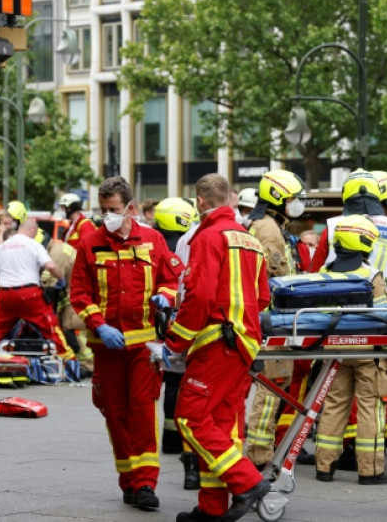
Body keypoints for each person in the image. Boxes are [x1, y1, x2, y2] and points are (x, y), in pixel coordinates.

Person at [163, 173, 271, 522]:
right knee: (223, 427)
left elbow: (200, 295)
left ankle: (248, 482)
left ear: (201, 202)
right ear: (231, 201)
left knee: (189, 418)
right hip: (243, 345)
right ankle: (212, 508)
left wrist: (174, 341)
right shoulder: (250, 239)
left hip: (215, 342)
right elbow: (264, 297)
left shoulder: (207, 236)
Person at [70, 177, 180, 511]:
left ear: (130, 208)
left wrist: (166, 295)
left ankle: (146, 482)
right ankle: (129, 481)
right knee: (115, 413)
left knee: (143, 412)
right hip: (108, 347)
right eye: (103, 210)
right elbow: (79, 293)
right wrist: (99, 325)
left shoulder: (152, 239)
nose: (107, 216)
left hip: (144, 346)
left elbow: (172, 278)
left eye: (113, 210)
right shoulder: (90, 243)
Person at [312, 215, 387, 486]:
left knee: (334, 406)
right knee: (370, 407)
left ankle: (324, 466)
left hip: (334, 350)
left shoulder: (325, 272)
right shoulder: (370, 275)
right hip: (366, 351)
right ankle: (370, 471)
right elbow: (384, 315)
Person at [244, 170, 314, 470]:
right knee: (272, 385)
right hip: (272, 318)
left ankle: (262, 448)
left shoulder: (268, 225)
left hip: (270, 316)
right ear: (278, 199)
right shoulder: (270, 231)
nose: (298, 204)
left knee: (275, 383)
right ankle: (259, 452)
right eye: (293, 199)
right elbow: (274, 277)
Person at [0, 219, 74, 368]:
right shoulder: (33, 244)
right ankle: (70, 361)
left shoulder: (3, 246)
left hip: (5, 294)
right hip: (29, 294)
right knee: (51, 326)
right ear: (33, 231)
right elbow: (50, 266)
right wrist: (60, 278)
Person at [151, 197, 202, 490]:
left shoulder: (156, 242)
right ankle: (183, 441)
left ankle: (170, 439)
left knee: (171, 381)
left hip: (163, 321)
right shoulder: (183, 244)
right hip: (180, 321)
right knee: (182, 381)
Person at [310, 169, 387, 298]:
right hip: (386, 308)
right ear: (377, 193)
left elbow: (314, 274)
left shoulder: (332, 226)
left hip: (339, 307)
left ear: (345, 194)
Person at [36, 229, 95, 373]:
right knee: (69, 328)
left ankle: (88, 365)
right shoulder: (55, 248)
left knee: (74, 328)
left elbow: (49, 283)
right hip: (72, 293)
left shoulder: (57, 253)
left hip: (76, 295)